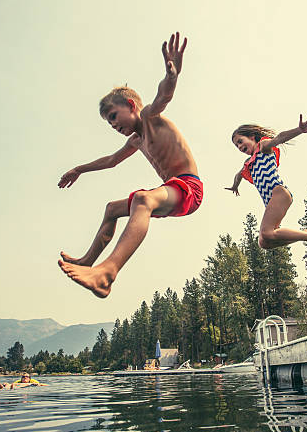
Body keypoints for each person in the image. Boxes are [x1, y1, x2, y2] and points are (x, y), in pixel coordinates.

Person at [57, 32, 202, 298]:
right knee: (112, 209)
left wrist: (173, 76)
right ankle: (89, 262)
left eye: (114, 117)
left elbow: (163, 96)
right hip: (170, 189)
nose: (114, 125)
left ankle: (107, 273)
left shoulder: (150, 117)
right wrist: (79, 169)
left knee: (143, 200)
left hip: (189, 188)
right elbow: (111, 161)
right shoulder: (136, 140)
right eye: (109, 124)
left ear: (131, 105)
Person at [225, 114, 307, 257]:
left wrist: (299, 130)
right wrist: (235, 186)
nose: (240, 146)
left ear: (252, 137)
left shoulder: (263, 147)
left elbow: (279, 138)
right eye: (237, 145)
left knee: (266, 232)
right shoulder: (248, 164)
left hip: (278, 192)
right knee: (264, 242)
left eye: (241, 141)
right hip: (271, 200)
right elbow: (239, 175)